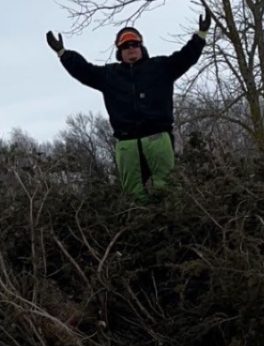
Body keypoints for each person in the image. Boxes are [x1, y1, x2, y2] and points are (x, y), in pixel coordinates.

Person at [47, 9, 212, 202]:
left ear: (142, 47)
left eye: (135, 44)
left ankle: (171, 226)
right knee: (132, 195)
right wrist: (63, 53)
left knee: (168, 190)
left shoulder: (160, 67)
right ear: (120, 52)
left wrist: (200, 35)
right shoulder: (110, 75)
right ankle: (140, 228)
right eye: (126, 46)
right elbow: (83, 71)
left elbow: (186, 57)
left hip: (157, 137)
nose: (131, 48)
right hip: (127, 144)